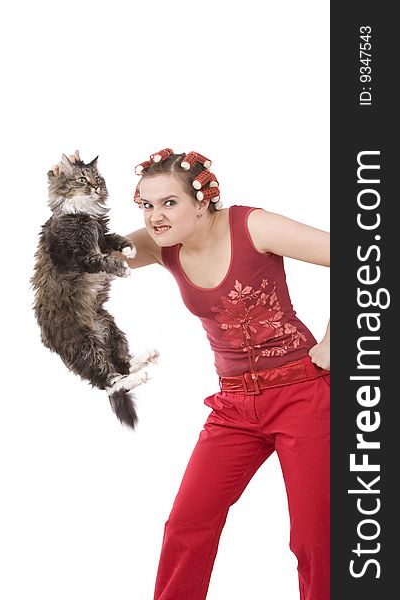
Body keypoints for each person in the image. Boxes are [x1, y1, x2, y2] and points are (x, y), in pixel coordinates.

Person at [52, 148, 330, 600]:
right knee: (187, 525)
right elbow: (89, 255)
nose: (155, 215)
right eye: (145, 203)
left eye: (169, 202)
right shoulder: (161, 244)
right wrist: (68, 204)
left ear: (203, 200)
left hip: (302, 393)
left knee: (314, 539)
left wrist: (337, 337)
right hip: (234, 405)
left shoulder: (253, 226)